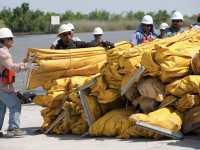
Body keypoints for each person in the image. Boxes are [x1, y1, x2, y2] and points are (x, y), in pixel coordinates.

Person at [0, 28, 39, 137]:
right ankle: (13, 128)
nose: (13, 41)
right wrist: (25, 65)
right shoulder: (3, 53)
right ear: (6, 40)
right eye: (11, 39)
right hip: (3, 87)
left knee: (1, 108)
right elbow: (12, 67)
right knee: (15, 105)